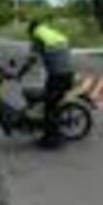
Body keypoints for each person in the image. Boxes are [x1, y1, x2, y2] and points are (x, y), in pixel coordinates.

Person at [20, 19, 73, 149]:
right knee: (48, 101)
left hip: (57, 77)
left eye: (29, 34)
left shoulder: (38, 36)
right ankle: (46, 133)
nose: (29, 37)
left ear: (31, 31)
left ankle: (53, 140)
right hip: (65, 74)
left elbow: (31, 59)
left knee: (49, 107)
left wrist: (20, 73)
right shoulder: (51, 33)